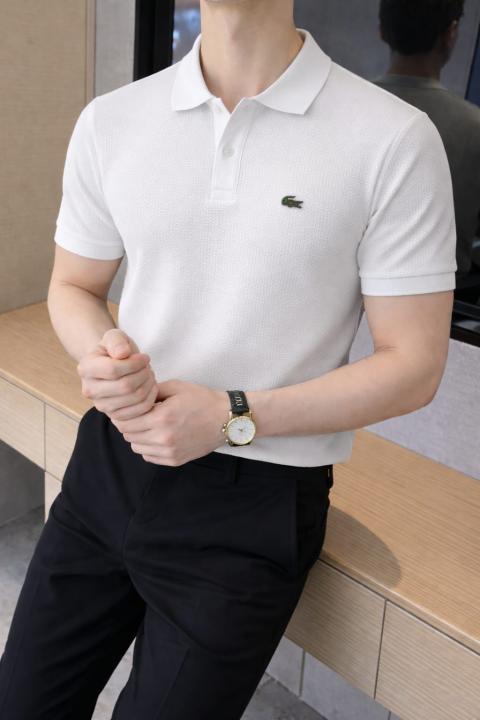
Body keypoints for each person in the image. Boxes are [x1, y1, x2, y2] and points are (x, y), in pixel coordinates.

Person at [0, 0, 458, 718]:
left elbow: (415, 365)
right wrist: (103, 354)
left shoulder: (394, 138)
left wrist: (230, 415)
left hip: (256, 501)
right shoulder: (112, 120)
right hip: (110, 463)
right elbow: (74, 286)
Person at [373, 0, 480, 302]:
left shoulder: (340, 108)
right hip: (444, 306)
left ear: (382, 30)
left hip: (343, 296)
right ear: (451, 33)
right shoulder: (474, 127)